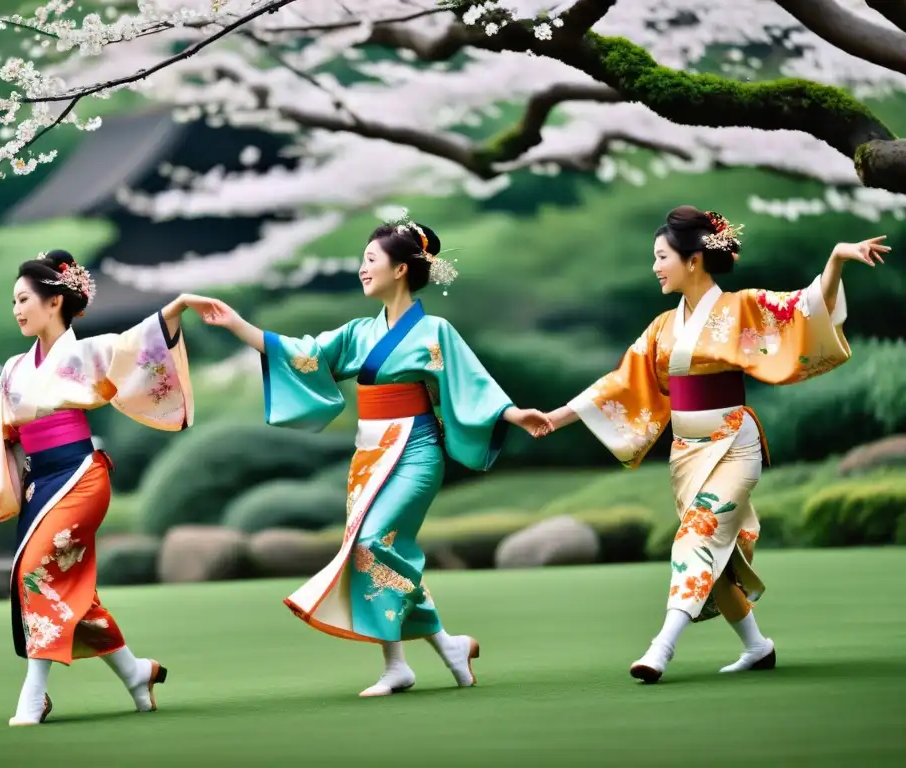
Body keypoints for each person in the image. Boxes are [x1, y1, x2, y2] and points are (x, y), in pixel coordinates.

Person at [205, 216, 551, 697]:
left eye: (371, 260)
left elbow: (472, 384)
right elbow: (304, 356)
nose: (362, 269)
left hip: (415, 449)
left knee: (371, 544)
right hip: (368, 454)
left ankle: (402, 663)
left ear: (402, 269)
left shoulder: (435, 331)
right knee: (376, 552)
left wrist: (513, 415)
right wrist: (237, 324)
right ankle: (433, 651)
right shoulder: (358, 332)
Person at [542, 206, 888, 683]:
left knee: (697, 535)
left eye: (662, 256)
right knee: (716, 555)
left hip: (733, 444)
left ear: (693, 261)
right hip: (686, 451)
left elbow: (805, 308)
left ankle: (661, 647)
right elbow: (621, 383)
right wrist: (554, 420)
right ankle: (757, 646)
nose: (655, 266)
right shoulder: (663, 326)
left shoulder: (740, 307)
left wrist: (835, 261)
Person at [0, 250, 227, 725]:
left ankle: (34, 691)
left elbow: (137, 347)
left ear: (54, 302)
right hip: (39, 485)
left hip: (79, 474)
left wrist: (173, 309)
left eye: (24, 299)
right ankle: (136, 673)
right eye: (13, 301)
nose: (16, 309)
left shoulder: (87, 351)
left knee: (36, 570)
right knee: (67, 588)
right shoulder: (14, 368)